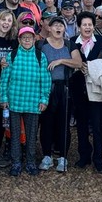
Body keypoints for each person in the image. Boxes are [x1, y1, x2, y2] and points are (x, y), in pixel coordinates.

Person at [1, 26, 51, 177]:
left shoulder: (39, 56)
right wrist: (3, 98)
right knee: (14, 135)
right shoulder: (12, 55)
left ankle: (30, 162)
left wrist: (44, 99)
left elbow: (46, 79)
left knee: (31, 135)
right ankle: (16, 163)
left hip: (33, 102)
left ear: (35, 39)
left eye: (30, 37)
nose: (27, 40)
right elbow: (4, 78)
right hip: (14, 101)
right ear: (19, 40)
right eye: (24, 37)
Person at [70, 12, 102, 173]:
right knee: (81, 124)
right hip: (78, 88)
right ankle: (84, 155)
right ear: (79, 26)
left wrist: (94, 66)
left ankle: (98, 158)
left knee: (98, 125)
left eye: (90, 24)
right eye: (84, 25)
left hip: (97, 89)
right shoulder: (72, 42)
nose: (88, 27)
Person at [38, 17, 80, 173]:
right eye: (55, 25)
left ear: (64, 29)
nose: (58, 27)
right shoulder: (41, 45)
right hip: (46, 88)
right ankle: (47, 156)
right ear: (49, 28)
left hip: (64, 88)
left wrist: (61, 60)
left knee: (63, 124)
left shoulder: (69, 44)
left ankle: (63, 157)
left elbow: (78, 62)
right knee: (47, 123)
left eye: (61, 25)